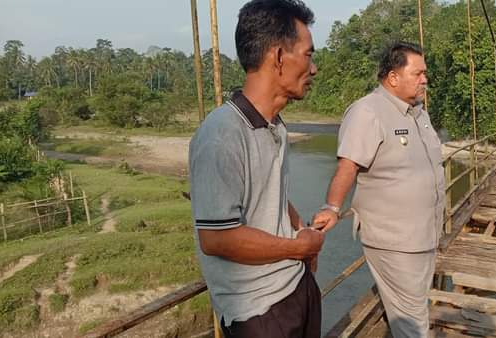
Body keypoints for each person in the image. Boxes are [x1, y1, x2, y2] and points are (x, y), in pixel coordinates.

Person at [188, 1, 323, 337]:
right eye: (308, 55)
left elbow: (272, 190)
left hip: (296, 286)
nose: (314, 68)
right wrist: (299, 247)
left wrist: (299, 228)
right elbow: (217, 238)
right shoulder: (221, 136)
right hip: (259, 312)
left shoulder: (275, 124)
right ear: (278, 57)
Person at [314, 41, 445, 338]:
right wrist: (333, 207)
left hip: (425, 234)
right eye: (418, 73)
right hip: (395, 240)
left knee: (415, 309)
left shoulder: (418, 112)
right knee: (412, 322)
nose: (425, 79)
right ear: (393, 77)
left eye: (425, 73)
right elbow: (348, 166)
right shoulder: (367, 112)